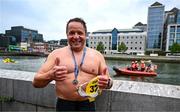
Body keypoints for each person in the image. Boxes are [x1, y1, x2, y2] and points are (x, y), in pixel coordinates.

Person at [32, 17, 113, 111]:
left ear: (85, 35)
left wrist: (107, 83)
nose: (75, 36)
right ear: (67, 35)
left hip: (88, 103)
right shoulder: (55, 54)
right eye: (71, 33)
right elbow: (36, 83)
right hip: (64, 104)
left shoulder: (97, 55)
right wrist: (51, 75)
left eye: (79, 33)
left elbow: (109, 82)